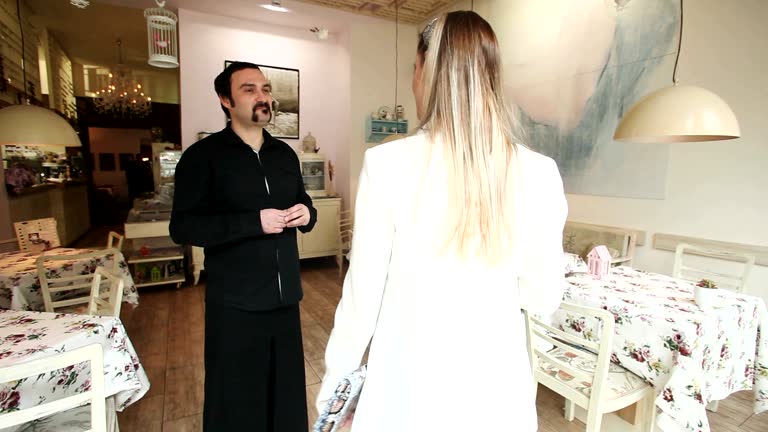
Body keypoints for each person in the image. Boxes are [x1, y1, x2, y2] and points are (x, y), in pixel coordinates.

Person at [316, 11, 567, 431]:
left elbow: (361, 304)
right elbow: (543, 297)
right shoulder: (539, 172)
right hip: (496, 395)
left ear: (426, 75)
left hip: (407, 391)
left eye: (413, 68)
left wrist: (331, 402)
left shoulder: (386, 164)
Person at [170, 61, 317, 432]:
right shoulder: (202, 157)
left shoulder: (285, 155)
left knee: (285, 394)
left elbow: (304, 202)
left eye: (266, 89)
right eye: (250, 89)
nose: (263, 97)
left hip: (286, 299)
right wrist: (253, 222)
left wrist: (307, 213)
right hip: (235, 302)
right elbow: (183, 226)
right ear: (225, 100)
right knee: (237, 399)